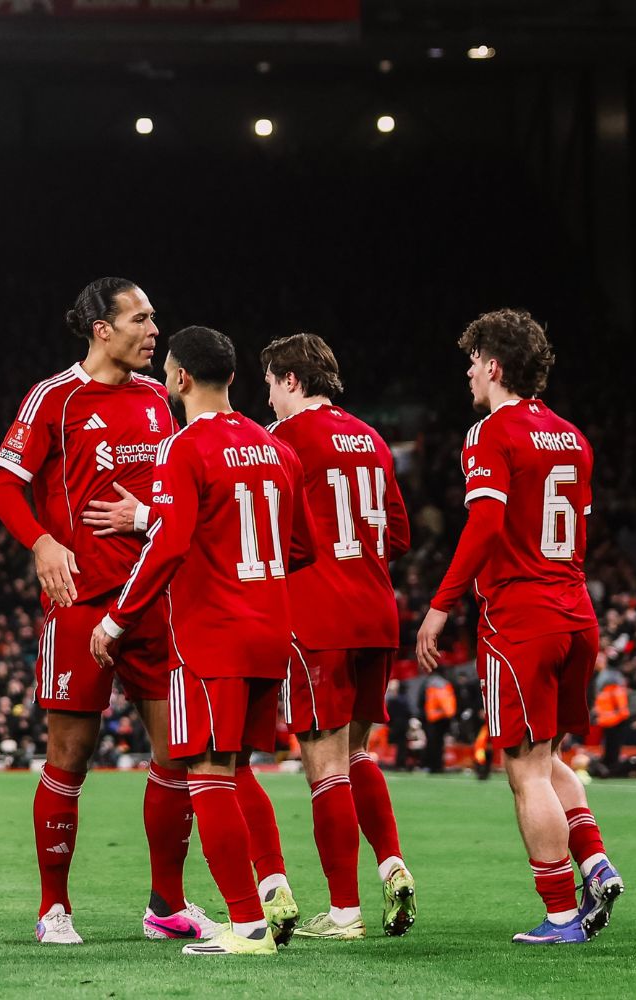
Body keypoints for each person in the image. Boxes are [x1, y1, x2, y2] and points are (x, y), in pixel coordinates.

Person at [0, 277, 225, 945]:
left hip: (153, 601)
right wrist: (41, 542)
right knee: (69, 756)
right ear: (102, 328)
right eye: (141, 318)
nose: (155, 331)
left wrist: (146, 517)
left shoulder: (161, 398)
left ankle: (166, 906)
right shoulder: (53, 398)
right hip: (80, 602)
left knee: (174, 756)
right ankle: (52, 908)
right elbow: (8, 488)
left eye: (155, 318)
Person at [90, 325, 313, 957]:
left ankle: (246, 925)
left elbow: (168, 543)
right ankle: (272, 888)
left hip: (213, 634)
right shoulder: (276, 449)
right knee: (240, 768)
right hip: (273, 628)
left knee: (206, 773)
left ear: (180, 378)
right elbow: (302, 547)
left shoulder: (183, 447)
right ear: (234, 379)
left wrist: (117, 619)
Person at [416, 309, 622, 945]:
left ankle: (561, 914)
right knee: (548, 755)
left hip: (521, 616)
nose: (468, 371)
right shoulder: (573, 436)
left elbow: (485, 525)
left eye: (474, 360)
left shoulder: (487, 433)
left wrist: (441, 604)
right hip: (574, 609)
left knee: (524, 768)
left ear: (496, 367)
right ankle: (594, 862)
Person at [260, 333, 417, 941]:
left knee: (323, 766)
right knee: (358, 755)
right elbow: (398, 533)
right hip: (376, 611)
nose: (268, 397)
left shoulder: (284, 441)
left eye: (271, 384)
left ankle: (345, 910)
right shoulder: (373, 439)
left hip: (318, 615)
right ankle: (392, 865)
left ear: (292, 381)